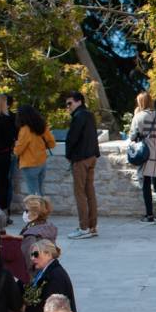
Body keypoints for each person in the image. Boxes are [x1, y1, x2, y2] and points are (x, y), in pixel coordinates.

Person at [21, 239, 77, 312]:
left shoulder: (55, 276)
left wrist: (28, 310)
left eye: (36, 254)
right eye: (31, 255)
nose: (32, 258)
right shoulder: (44, 272)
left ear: (48, 255)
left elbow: (53, 309)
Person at [128, 92, 156, 224]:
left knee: (145, 183)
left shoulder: (138, 116)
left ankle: (149, 215)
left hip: (146, 152)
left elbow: (132, 136)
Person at [64, 92, 101, 238]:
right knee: (90, 192)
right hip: (91, 156)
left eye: (70, 103)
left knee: (79, 193)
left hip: (80, 158)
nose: (68, 107)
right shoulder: (89, 114)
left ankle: (83, 227)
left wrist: (69, 156)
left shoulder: (79, 116)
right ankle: (92, 226)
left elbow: (72, 138)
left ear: (79, 102)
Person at [12, 104, 56, 200]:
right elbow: (52, 143)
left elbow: (19, 148)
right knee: (40, 191)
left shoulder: (25, 130)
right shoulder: (43, 126)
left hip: (30, 163)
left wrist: (14, 151)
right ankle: (44, 211)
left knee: (34, 193)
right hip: (42, 161)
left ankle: (38, 213)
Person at [19, 195, 58, 275]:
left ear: (36, 214)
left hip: (33, 275)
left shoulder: (31, 234)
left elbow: (27, 260)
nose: (25, 213)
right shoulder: (47, 228)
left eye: (27, 210)